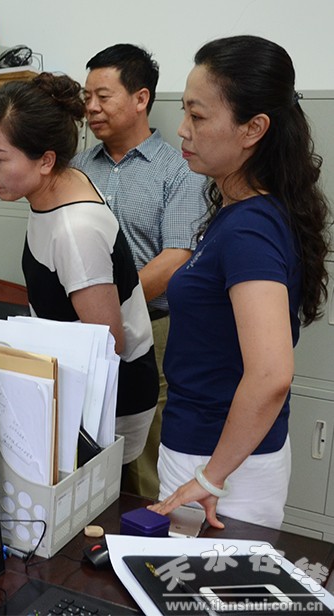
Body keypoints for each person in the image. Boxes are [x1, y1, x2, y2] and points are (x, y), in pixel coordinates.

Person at [148, 35, 330, 529]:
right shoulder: (240, 212)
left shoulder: (250, 228)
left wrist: (210, 479)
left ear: (253, 129)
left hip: (220, 467)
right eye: (185, 112)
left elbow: (271, 374)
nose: (183, 129)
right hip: (209, 453)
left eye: (198, 116)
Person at [0, 74, 159, 466]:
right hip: (72, 385)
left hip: (109, 402)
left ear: (46, 160)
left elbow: (107, 343)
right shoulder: (57, 187)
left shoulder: (75, 230)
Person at [72, 44, 208, 498]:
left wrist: (107, 304)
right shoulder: (79, 168)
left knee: (142, 458)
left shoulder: (179, 169)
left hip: (151, 327)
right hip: (82, 330)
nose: (91, 107)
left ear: (140, 98)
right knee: (84, 447)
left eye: (103, 96)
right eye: (87, 97)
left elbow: (176, 257)